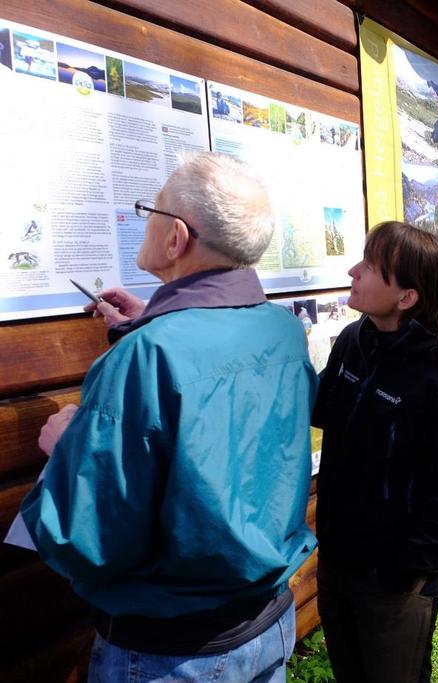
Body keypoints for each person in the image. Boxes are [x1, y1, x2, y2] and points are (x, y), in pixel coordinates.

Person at [19, 152, 317, 681]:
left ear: (176, 238)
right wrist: (149, 321)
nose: (144, 219)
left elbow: (89, 542)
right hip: (269, 622)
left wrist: (67, 449)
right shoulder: (283, 331)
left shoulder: (146, 356)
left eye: (148, 209)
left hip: (173, 656)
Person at [313, 221, 438, 683]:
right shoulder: (354, 341)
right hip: (337, 559)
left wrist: (408, 567)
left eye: (369, 267)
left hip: (392, 578)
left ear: (406, 297)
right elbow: (321, 408)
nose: (353, 271)